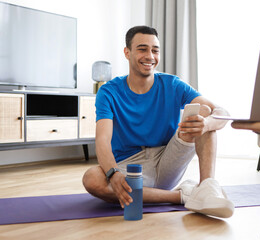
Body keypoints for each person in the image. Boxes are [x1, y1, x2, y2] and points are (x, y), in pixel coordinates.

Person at [82, 25, 234, 218]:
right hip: (130, 166)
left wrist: (207, 124)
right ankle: (182, 196)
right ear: (127, 53)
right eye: (142, 49)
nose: (150, 56)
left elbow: (222, 112)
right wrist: (113, 173)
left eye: (155, 50)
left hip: (167, 159)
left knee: (204, 113)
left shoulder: (172, 84)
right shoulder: (109, 91)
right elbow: (102, 140)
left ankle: (206, 188)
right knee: (92, 179)